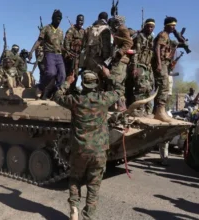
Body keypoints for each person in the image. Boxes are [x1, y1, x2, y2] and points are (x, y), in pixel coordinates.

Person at [53, 67, 121, 220]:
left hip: (79, 150)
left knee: (75, 179)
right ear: (96, 83)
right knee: (94, 185)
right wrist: (109, 75)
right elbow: (119, 90)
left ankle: (74, 210)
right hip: (98, 151)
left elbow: (57, 96)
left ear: (82, 84)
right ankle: (88, 216)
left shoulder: (75, 100)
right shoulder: (104, 99)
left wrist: (67, 83)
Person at [29, 9, 65, 100]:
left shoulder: (61, 31)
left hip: (59, 55)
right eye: (57, 18)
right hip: (49, 54)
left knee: (62, 76)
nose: (58, 20)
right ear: (52, 18)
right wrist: (31, 51)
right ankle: (40, 87)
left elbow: (61, 45)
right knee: (51, 73)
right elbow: (39, 41)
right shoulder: (46, 28)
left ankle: (54, 91)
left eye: (60, 19)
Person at [152, 16, 178, 122]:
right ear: (167, 25)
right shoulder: (163, 34)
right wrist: (158, 63)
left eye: (174, 26)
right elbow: (157, 48)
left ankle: (157, 111)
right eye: (172, 25)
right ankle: (160, 112)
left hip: (164, 64)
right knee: (164, 86)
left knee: (163, 87)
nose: (173, 27)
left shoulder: (167, 36)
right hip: (161, 63)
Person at [129, 18, 156, 116]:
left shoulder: (152, 38)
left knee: (149, 89)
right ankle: (137, 110)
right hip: (140, 65)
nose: (150, 29)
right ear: (144, 26)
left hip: (148, 66)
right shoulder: (140, 36)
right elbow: (136, 53)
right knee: (140, 88)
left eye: (152, 27)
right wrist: (134, 67)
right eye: (148, 26)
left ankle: (148, 111)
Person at [108, 15, 133, 112]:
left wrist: (120, 52)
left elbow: (129, 43)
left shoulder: (122, 29)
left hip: (120, 61)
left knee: (116, 82)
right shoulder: (118, 30)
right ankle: (116, 105)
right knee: (114, 82)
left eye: (115, 21)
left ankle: (121, 106)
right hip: (117, 60)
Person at [83, 12, 112, 90]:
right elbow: (106, 47)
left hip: (89, 59)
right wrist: (107, 62)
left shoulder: (91, 28)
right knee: (99, 82)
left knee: (89, 79)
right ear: (106, 19)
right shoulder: (106, 29)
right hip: (99, 60)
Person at [63, 14, 85, 92]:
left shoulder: (83, 31)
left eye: (82, 20)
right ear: (76, 20)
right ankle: (65, 90)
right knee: (68, 73)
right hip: (70, 56)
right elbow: (66, 42)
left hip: (78, 56)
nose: (80, 22)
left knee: (76, 74)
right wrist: (69, 53)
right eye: (79, 20)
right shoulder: (71, 30)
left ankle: (72, 89)